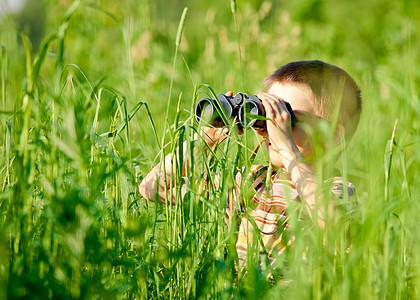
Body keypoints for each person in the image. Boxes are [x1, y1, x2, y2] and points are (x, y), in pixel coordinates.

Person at [139, 60, 362, 282]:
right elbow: (152, 188)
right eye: (268, 115)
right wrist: (204, 141)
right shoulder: (253, 183)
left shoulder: (336, 189)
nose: (272, 127)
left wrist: (287, 148)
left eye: (288, 119)